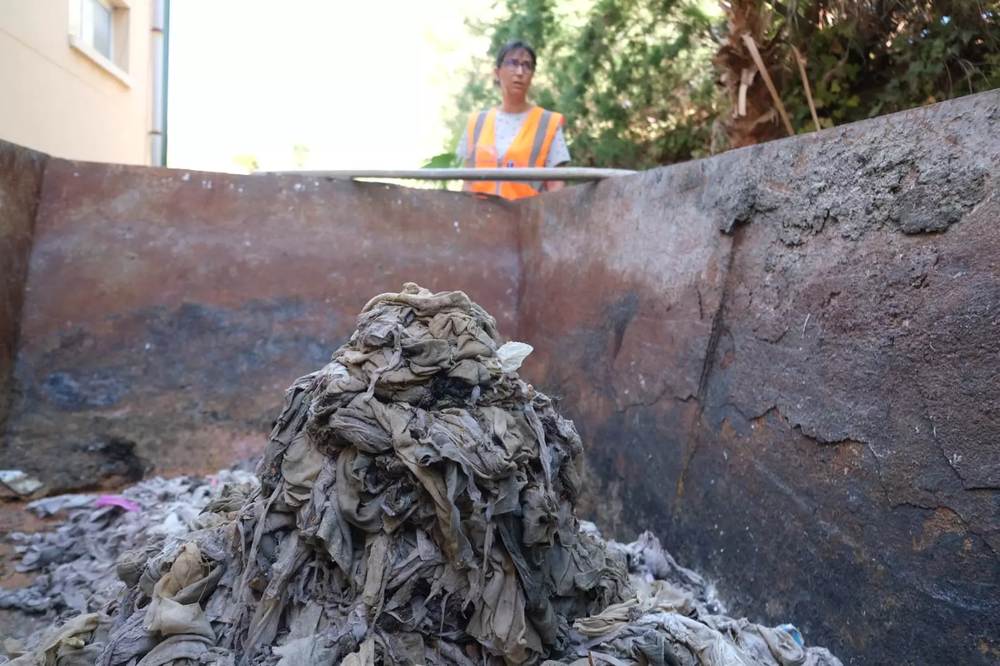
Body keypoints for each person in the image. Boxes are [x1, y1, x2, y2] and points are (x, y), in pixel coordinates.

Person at [456, 40, 570, 199]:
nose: (519, 72)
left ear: (532, 75)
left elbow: (556, 186)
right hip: (480, 218)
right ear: (497, 72)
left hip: (527, 218)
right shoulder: (476, 123)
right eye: (512, 63)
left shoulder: (548, 123)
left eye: (526, 66)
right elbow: (468, 182)